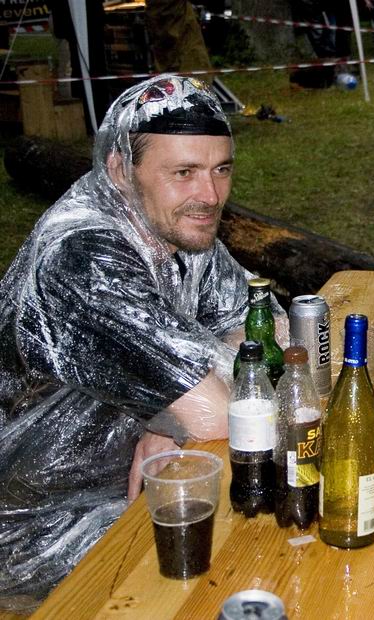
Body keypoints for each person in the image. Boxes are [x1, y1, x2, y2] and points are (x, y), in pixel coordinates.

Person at [0, 75, 285, 613]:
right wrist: (185, 407)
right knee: (253, 562)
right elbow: (221, 417)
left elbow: (269, 327)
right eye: (183, 172)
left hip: (128, 479)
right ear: (119, 169)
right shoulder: (84, 258)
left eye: (221, 169)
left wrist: (166, 417)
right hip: (40, 527)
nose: (209, 195)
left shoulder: (178, 229)